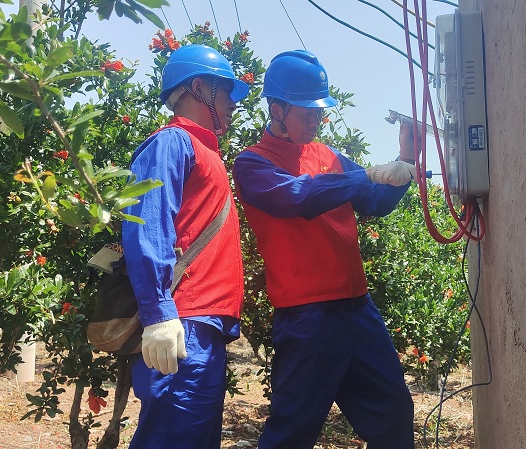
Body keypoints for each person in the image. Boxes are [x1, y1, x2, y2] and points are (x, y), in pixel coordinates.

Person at [232, 49, 418, 449]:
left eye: (319, 112)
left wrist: (405, 163)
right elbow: (299, 196)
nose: (316, 120)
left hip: (357, 310)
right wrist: (365, 175)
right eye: (307, 112)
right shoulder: (253, 165)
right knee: (292, 432)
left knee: (394, 416)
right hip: (307, 318)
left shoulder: (328, 155)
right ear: (277, 109)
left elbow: (374, 202)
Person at [121, 44, 249, 449]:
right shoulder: (171, 143)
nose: (233, 104)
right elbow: (147, 226)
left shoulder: (207, 151)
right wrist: (159, 312)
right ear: (199, 88)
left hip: (204, 327)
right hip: (184, 323)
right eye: (226, 92)